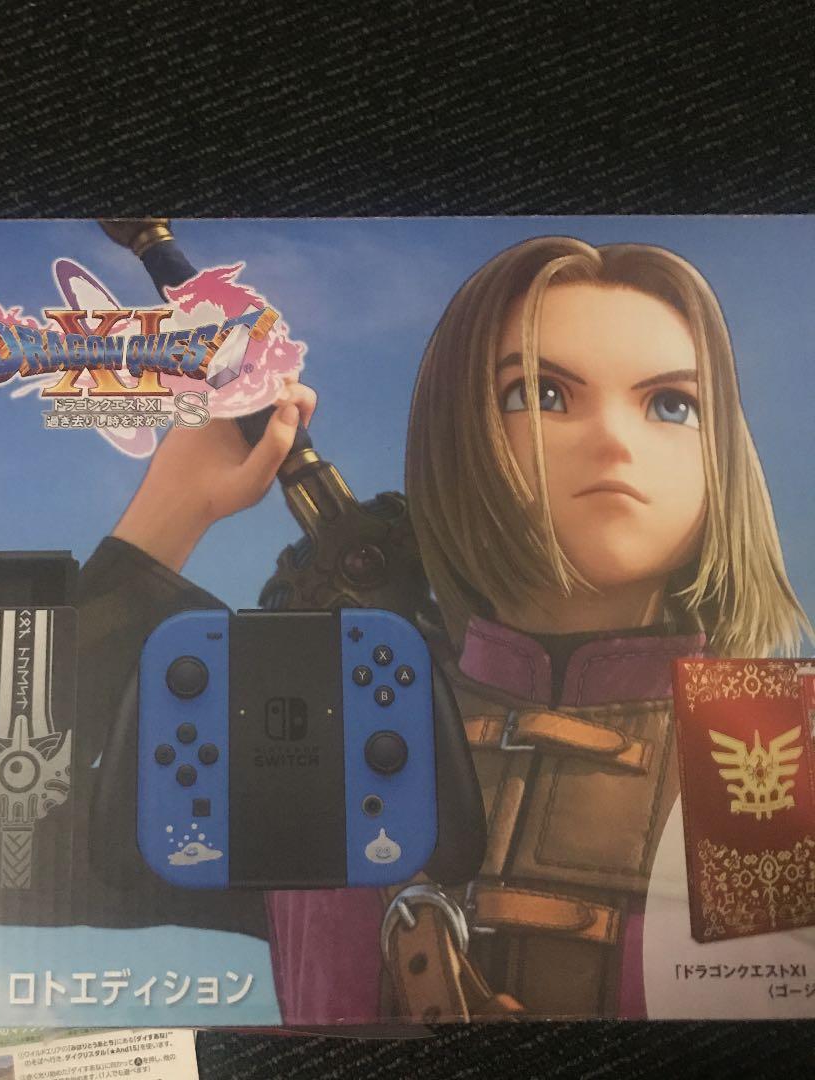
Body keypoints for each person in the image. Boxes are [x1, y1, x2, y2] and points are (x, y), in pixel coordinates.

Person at [82, 226, 809, 1022]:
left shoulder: (771, 739)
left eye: (672, 404)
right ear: (456, 433)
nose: (612, 439)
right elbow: (7, 830)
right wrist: (173, 507)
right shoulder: (332, 727)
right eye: (540, 395)